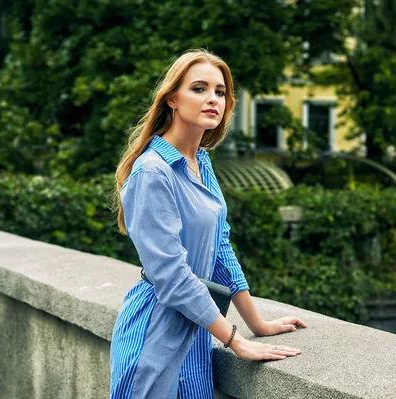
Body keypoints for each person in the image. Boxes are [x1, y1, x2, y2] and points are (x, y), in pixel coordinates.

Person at [110, 49, 306, 398]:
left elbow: (220, 249)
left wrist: (256, 323)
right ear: (172, 98)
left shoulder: (201, 161)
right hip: (155, 335)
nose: (213, 99)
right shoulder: (152, 172)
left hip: (198, 334)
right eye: (199, 88)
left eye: (220, 92)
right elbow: (171, 277)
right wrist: (236, 340)